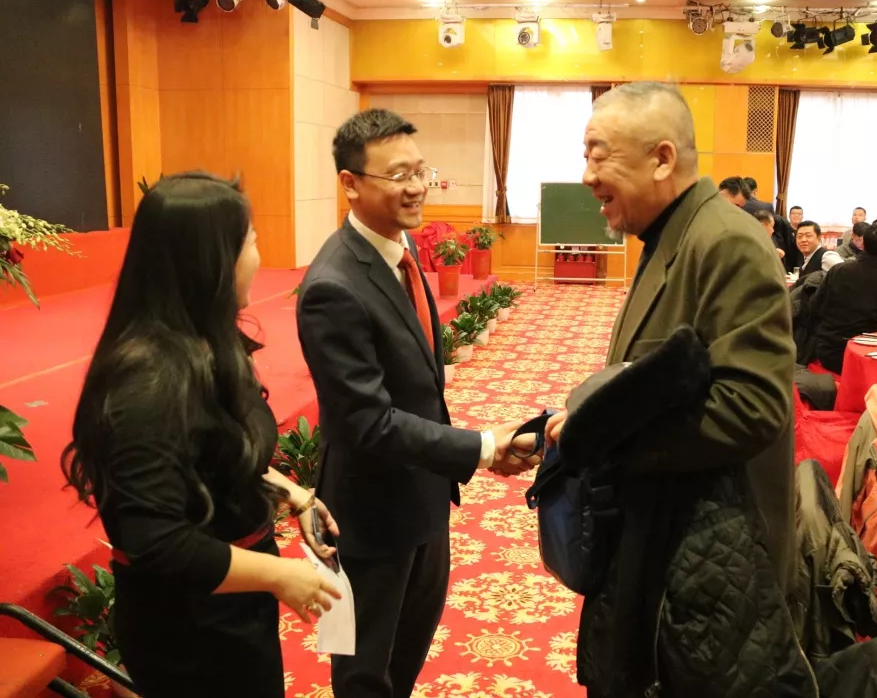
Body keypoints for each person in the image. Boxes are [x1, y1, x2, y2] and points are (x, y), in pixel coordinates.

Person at [545, 81, 815, 697]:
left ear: (662, 159)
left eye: (598, 154)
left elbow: (752, 408)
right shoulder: (672, 235)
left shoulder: (726, 242)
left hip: (711, 557)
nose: (586, 176)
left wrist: (604, 438)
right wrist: (593, 411)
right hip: (662, 538)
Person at [60, 173, 343, 698]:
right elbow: (157, 544)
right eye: (251, 242)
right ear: (212, 260)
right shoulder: (147, 380)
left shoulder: (206, 341)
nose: (259, 256)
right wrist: (278, 575)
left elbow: (217, 452)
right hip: (187, 624)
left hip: (232, 604)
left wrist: (293, 493)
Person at [296, 109, 535, 698]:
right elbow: (368, 421)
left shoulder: (397, 250)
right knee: (365, 673)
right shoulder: (333, 286)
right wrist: (483, 448)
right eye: (397, 175)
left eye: (420, 171)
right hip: (369, 515)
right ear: (350, 183)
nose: (417, 187)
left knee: (403, 660)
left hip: (423, 497)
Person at [807, 222, 877, 374]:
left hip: (827, 351)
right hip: (865, 358)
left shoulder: (838, 271)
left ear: (863, 244)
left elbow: (814, 307)